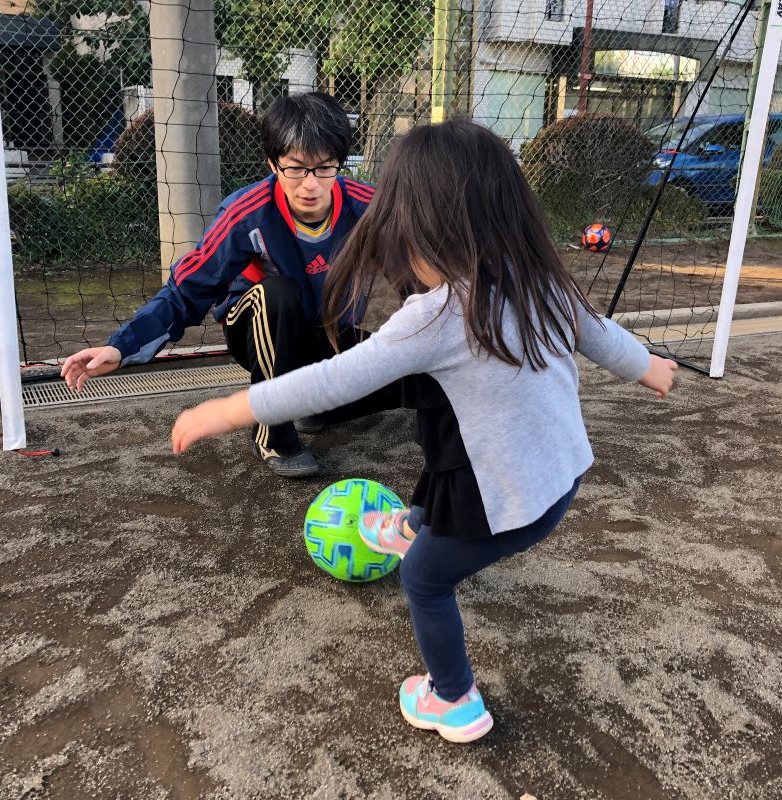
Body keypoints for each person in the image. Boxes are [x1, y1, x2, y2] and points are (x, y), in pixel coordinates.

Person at [170, 120, 678, 743]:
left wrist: (225, 411)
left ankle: (455, 700)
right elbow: (604, 337)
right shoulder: (541, 279)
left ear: (419, 228)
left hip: (506, 504)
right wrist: (653, 368)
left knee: (425, 579)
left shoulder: (435, 316)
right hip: (561, 475)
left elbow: (330, 383)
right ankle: (412, 525)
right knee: (441, 415)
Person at [61, 91, 399, 478]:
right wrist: (121, 347)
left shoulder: (368, 208)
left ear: (339, 164)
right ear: (274, 164)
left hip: (328, 334)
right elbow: (188, 289)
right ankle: (273, 431)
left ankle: (312, 402)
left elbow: (418, 275)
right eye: (296, 168)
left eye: (324, 168)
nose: (310, 184)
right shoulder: (247, 213)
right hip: (261, 330)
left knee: (412, 372)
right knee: (280, 293)